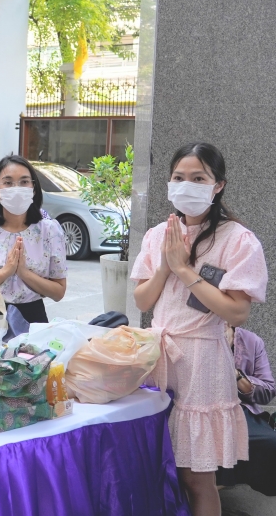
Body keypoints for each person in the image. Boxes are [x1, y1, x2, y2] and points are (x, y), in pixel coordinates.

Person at [131, 143, 267, 516]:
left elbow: (237, 313)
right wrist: (165, 266)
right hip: (159, 355)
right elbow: (143, 302)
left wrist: (185, 271)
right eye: (178, 177)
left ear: (217, 185)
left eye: (198, 178)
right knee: (158, 465)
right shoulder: (160, 233)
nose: (185, 185)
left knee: (196, 478)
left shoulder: (237, 239)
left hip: (203, 363)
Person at [0, 155, 67, 324]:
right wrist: (5, 272)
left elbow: (59, 292)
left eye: (24, 182)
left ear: (33, 188)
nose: (16, 188)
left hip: (33, 318)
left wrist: (23, 273)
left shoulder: (49, 231)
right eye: (8, 183)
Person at [216, 326, 276, 496]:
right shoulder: (191, 337)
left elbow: (268, 391)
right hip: (198, 408)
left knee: (270, 441)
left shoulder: (251, 341)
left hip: (239, 407)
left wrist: (235, 373)